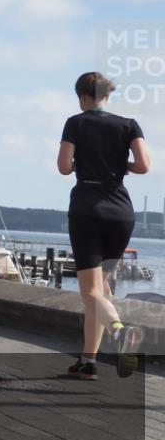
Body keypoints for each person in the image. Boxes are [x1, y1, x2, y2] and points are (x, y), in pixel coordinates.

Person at [58, 71, 151, 380]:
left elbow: (63, 166)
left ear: (83, 97)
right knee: (101, 290)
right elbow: (144, 165)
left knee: (91, 291)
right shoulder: (129, 125)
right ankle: (88, 361)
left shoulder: (76, 123)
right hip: (121, 214)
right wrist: (121, 165)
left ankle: (120, 332)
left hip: (87, 210)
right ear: (107, 96)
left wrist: (80, 163)